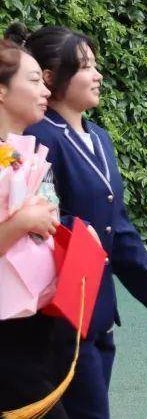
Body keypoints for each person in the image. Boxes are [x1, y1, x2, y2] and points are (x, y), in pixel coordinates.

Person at [23, 25, 147, 419]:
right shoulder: (39, 136)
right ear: (51, 77)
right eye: (85, 66)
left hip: (98, 306)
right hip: (60, 307)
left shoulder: (99, 136)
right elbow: (46, 218)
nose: (98, 75)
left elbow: (114, 220)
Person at [0, 26, 67, 418]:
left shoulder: (19, 152)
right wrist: (23, 221)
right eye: (33, 80)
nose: (45, 90)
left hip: (33, 324)